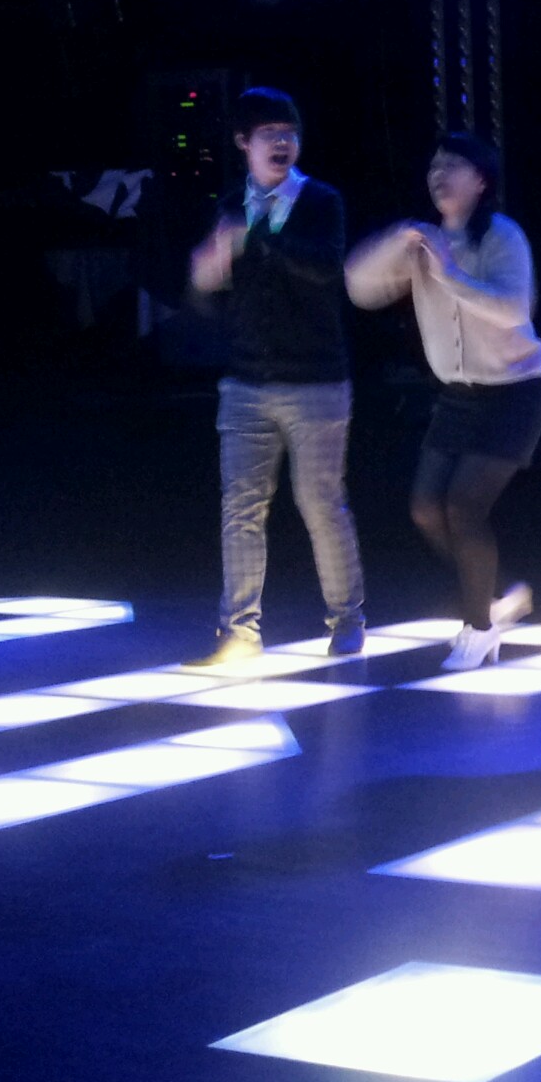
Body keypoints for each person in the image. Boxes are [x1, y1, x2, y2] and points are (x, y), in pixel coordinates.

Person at [346, 134, 541, 671]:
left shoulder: (502, 236)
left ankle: (479, 628)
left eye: (453, 165)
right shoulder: (424, 241)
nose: (439, 174)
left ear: (480, 180)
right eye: (434, 166)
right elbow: (360, 288)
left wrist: (449, 274)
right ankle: (499, 594)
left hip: (514, 393)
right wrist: (398, 241)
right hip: (458, 396)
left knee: (463, 506)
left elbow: (513, 309)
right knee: (425, 508)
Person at [185, 86, 363, 667]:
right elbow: (211, 288)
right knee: (240, 508)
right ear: (244, 142)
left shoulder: (321, 200)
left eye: (290, 133)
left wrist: (257, 237)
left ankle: (348, 619)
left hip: (316, 382)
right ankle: (239, 633)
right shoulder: (229, 202)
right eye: (270, 134)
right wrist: (208, 267)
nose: (283, 142)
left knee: (321, 503)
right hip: (245, 382)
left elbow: (324, 267)